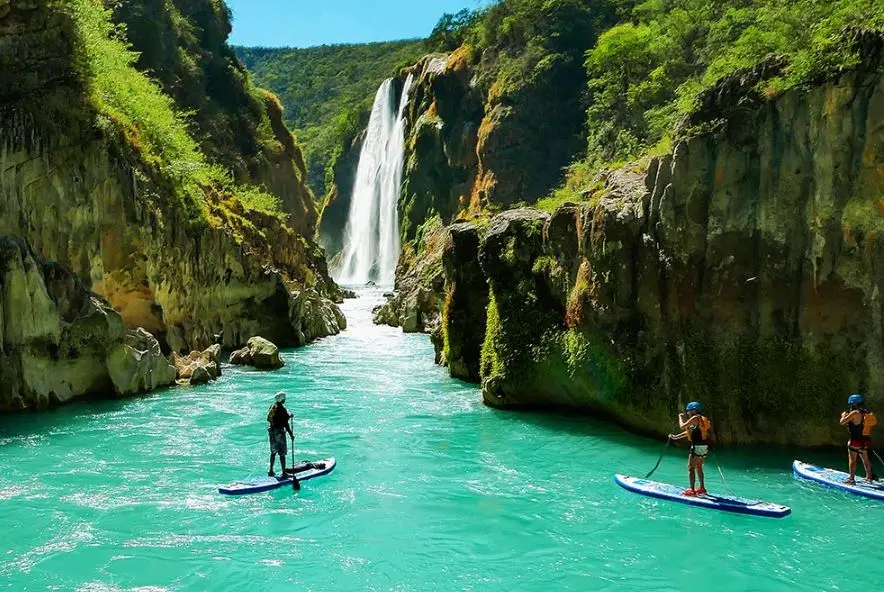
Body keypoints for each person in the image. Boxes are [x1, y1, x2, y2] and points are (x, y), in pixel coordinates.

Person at [669, 401, 712, 496]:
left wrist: (680, 417)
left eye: (688, 411)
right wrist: (676, 437)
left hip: (696, 447)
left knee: (690, 468)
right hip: (704, 446)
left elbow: (682, 426)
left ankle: (692, 491)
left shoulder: (695, 418)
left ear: (693, 411)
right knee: (699, 467)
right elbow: (688, 432)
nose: (687, 413)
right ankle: (702, 489)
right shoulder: (702, 419)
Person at [839, 393, 876, 484]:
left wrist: (843, 415)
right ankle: (869, 477)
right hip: (865, 441)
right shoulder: (866, 412)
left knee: (852, 460)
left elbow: (842, 422)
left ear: (853, 404)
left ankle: (851, 479)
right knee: (866, 460)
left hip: (855, 441)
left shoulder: (854, 413)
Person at [267, 391, 294, 477]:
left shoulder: (272, 406)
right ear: (282, 399)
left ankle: (271, 471)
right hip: (280, 433)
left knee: (273, 452)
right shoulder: (282, 410)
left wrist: (287, 416)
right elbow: (286, 424)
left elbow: (273, 418)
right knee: (282, 453)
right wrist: (291, 435)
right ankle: (284, 472)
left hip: (272, 432)